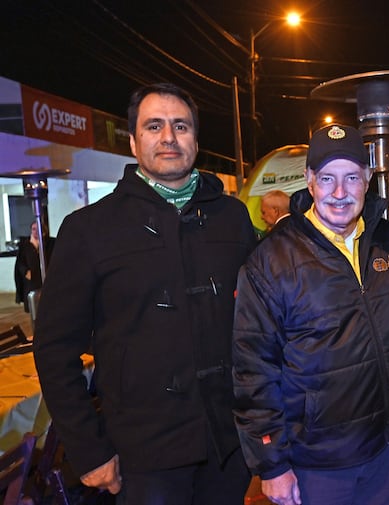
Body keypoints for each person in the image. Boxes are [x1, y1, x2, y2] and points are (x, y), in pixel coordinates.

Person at [32, 83, 258, 504]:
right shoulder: (88, 229)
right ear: (134, 142)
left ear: (195, 139)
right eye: (154, 126)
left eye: (181, 126)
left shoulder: (232, 217)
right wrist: (89, 451)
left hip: (228, 447)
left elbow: (260, 323)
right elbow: (53, 349)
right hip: (141, 458)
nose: (169, 137)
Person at [232, 124, 389, 505]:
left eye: (351, 177)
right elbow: (252, 369)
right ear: (309, 181)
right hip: (318, 459)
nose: (340, 193)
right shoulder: (271, 261)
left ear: (368, 179)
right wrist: (271, 465)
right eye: (327, 179)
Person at [14, 220, 55, 313]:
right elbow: (20, 263)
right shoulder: (25, 245)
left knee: (47, 307)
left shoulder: (50, 243)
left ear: (44, 230)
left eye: (38, 229)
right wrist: (25, 272)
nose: (36, 231)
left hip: (45, 279)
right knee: (33, 308)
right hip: (31, 281)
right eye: (33, 229)